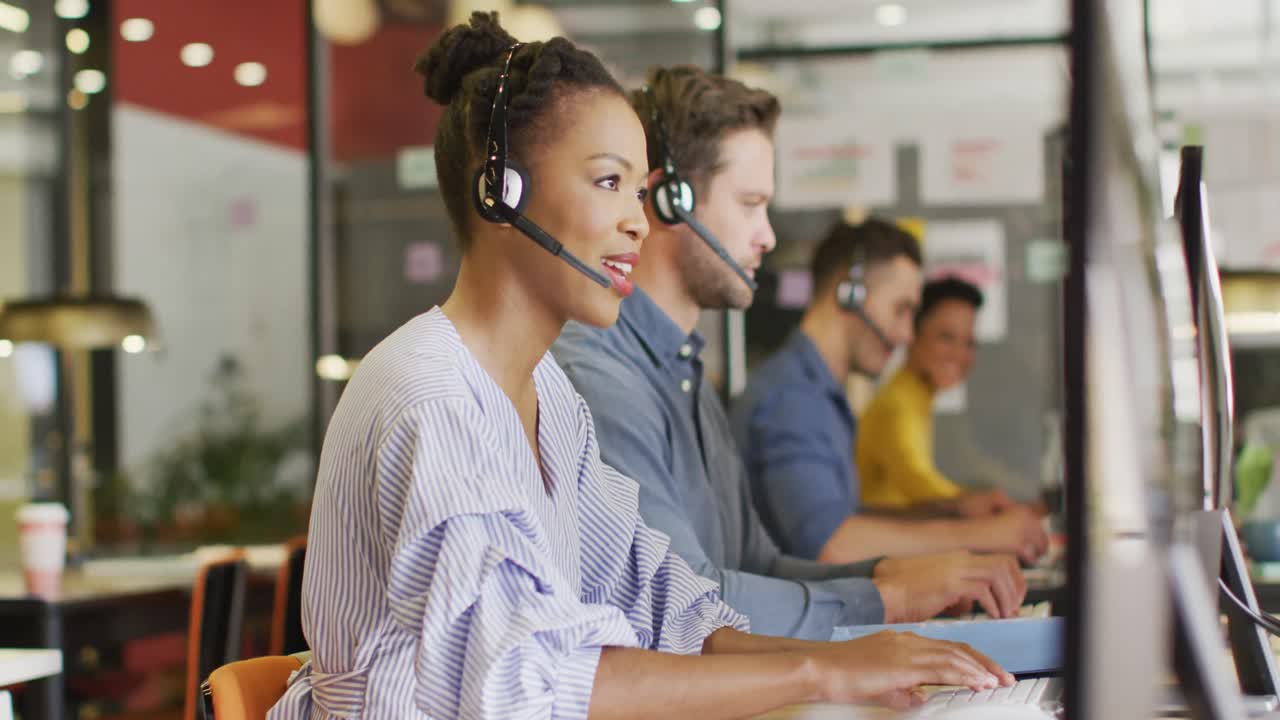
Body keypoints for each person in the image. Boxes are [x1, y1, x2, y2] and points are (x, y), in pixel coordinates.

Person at [270, 14, 1012, 720]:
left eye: (637, 186)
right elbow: (527, 685)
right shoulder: (431, 396)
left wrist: (876, 655)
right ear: (502, 192)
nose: (637, 218)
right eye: (606, 181)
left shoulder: (548, 398)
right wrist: (825, 670)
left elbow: (670, 611)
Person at [553, 65, 1029, 647]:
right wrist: (888, 597)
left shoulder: (687, 378)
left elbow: (758, 563)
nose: (767, 236)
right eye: (751, 204)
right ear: (670, 201)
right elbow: (684, 603)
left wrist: (889, 576)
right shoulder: (601, 378)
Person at [731, 219, 1049, 566]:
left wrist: (958, 512)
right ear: (847, 294)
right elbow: (831, 543)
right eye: (901, 310)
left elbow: (845, 518)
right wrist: (984, 535)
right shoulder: (793, 398)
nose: (906, 336)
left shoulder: (819, 393)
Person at [859, 275, 1037, 512]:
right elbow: (917, 481)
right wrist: (977, 504)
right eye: (946, 338)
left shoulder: (919, 396)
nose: (960, 355)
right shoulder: (898, 405)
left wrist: (1019, 493)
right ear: (912, 334)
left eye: (969, 343)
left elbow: (968, 459)